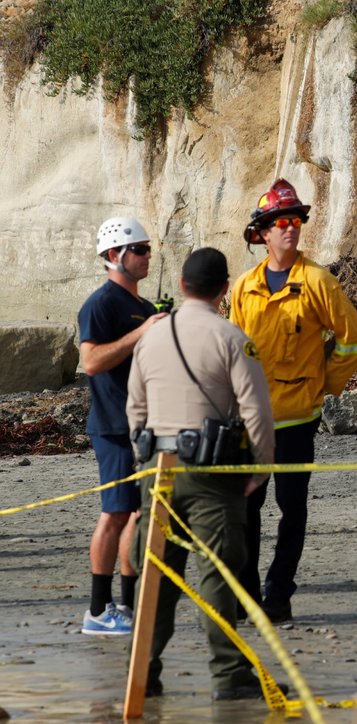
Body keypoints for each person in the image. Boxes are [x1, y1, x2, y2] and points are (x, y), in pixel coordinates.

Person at [127, 247, 277, 699]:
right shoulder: (232, 338)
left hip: (157, 468)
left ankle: (143, 673)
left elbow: (134, 407)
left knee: (155, 572)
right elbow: (257, 413)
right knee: (217, 572)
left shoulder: (150, 338)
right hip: (213, 472)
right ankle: (229, 676)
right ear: (224, 289)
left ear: (181, 286)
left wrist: (144, 463)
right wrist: (262, 470)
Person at [231, 179, 357, 623]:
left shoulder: (317, 282)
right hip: (251, 421)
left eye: (294, 221)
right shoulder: (244, 287)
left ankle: (279, 593)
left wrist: (326, 384)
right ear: (263, 234)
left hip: (295, 420)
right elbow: (233, 348)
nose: (290, 229)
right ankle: (246, 594)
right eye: (280, 223)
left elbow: (354, 338)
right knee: (246, 510)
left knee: (292, 510)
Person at [78, 217, 167, 635]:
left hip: (143, 426)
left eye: (148, 248)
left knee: (136, 515)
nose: (148, 256)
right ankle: (97, 610)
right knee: (114, 515)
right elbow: (91, 361)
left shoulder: (145, 308)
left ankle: (129, 606)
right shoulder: (101, 304)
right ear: (115, 255)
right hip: (113, 426)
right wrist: (142, 333)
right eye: (141, 249)